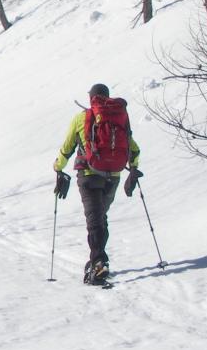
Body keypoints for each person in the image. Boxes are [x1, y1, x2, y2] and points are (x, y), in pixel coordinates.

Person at [52, 83, 142, 285]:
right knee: (100, 217)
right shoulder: (119, 116)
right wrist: (134, 169)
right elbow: (133, 148)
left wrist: (58, 167)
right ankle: (98, 259)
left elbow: (67, 147)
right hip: (114, 175)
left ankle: (98, 263)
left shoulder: (81, 118)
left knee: (94, 220)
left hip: (89, 174)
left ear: (91, 98)